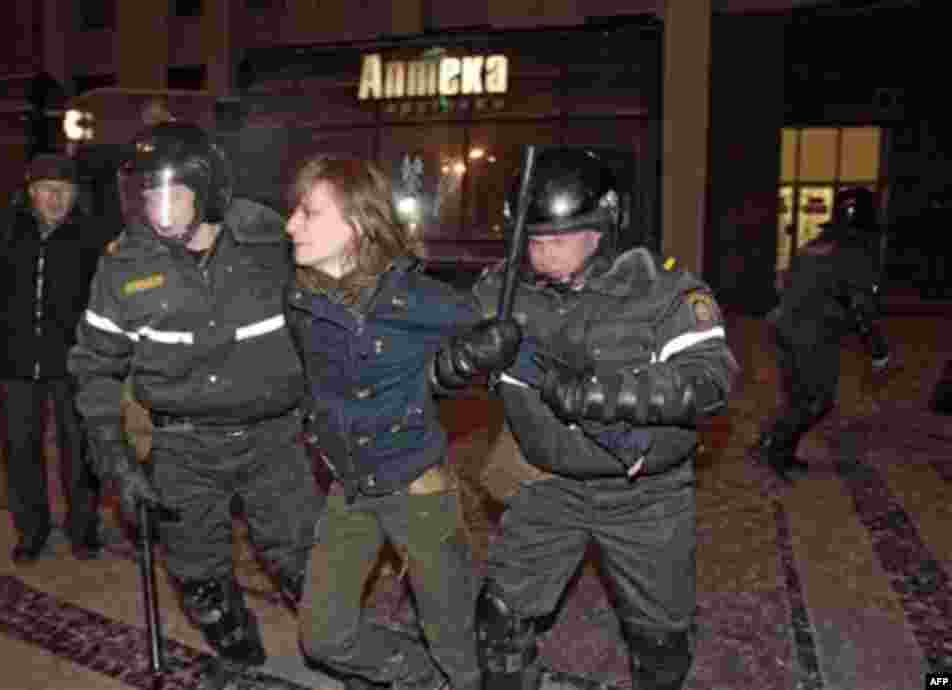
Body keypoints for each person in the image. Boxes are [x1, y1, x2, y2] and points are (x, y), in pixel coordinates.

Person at [67, 121, 324, 689]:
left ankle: (337, 646)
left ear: (206, 189)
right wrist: (113, 454)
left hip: (273, 439)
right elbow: (95, 364)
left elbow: (335, 301)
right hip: (183, 447)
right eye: (146, 193)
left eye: (171, 193)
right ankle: (236, 645)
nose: (156, 208)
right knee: (199, 580)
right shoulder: (124, 266)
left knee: (306, 564)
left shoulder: (272, 243)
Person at [472, 147, 738, 690]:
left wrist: (604, 394)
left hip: (645, 494)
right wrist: (457, 360)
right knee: (499, 620)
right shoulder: (504, 292)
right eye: (533, 240)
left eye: (558, 240)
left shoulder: (664, 293)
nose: (542, 255)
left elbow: (710, 378)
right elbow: (421, 349)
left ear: (604, 228)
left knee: (659, 643)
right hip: (547, 483)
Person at [284, 154, 519, 690]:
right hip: (350, 490)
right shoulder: (300, 298)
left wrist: (491, 353)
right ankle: (419, 679)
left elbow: (505, 356)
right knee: (323, 637)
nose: (290, 225)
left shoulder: (420, 300)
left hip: (419, 493)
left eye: (308, 212)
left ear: (358, 225)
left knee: (458, 644)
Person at [0, 154, 108, 564]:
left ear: (75, 195)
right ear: (30, 193)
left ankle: (83, 529)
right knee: (20, 450)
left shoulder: (92, 235)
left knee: (81, 450)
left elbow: (111, 296)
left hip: (74, 362)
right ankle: (31, 531)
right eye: (47, 189)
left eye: (64, 190)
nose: (55, 198)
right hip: (14, 359)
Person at [755, 186, 891, 482]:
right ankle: (777, 451)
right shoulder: (855, 252)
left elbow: (786, 284)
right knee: (817, 399)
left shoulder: (815, 244)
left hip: (784, 325)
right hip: (812, 332)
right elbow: (861, 307)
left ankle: (773, 444)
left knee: (797, 396)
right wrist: (878, 350)